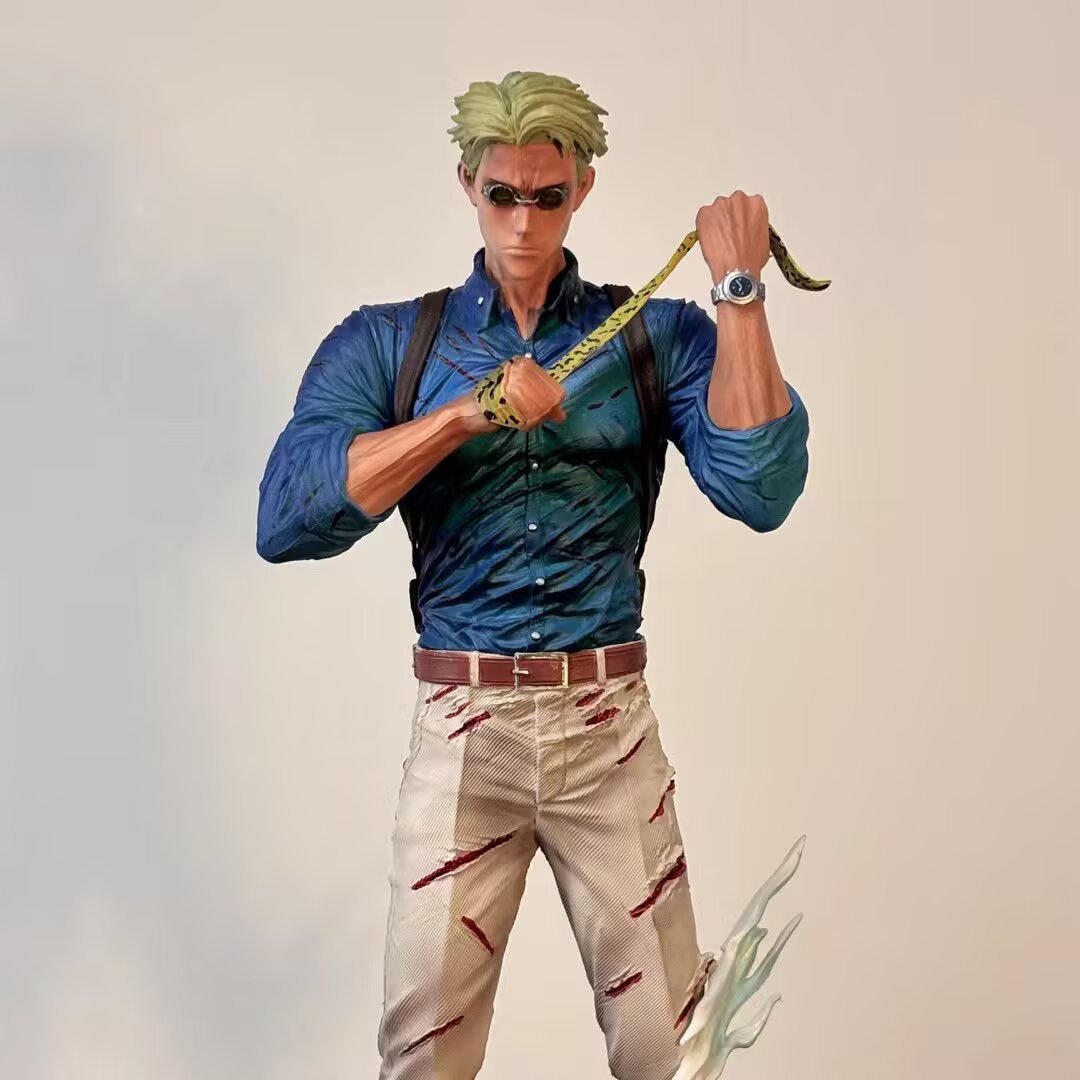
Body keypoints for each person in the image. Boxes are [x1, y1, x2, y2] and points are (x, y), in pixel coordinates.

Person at [256, 70, 810, 1080]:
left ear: (582, 189)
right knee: (424, 1057)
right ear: (467, 184)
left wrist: (738, 293)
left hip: (608, 728)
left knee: (674, 1052)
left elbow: (759, 488)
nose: (522, 221)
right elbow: (290, 517)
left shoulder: (650, 336)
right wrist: (461, 417)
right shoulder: (395, 341)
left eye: (546, 197)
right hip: (464, 727)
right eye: (501, 193)